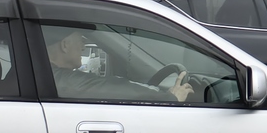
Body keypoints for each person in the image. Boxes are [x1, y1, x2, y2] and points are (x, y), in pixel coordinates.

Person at [43, 24, 192, 102]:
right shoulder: (62, 81)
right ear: (64, 45)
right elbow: (109, 87)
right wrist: (169, 98)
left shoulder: (49, 75)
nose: (83, 46)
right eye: (81, 40)